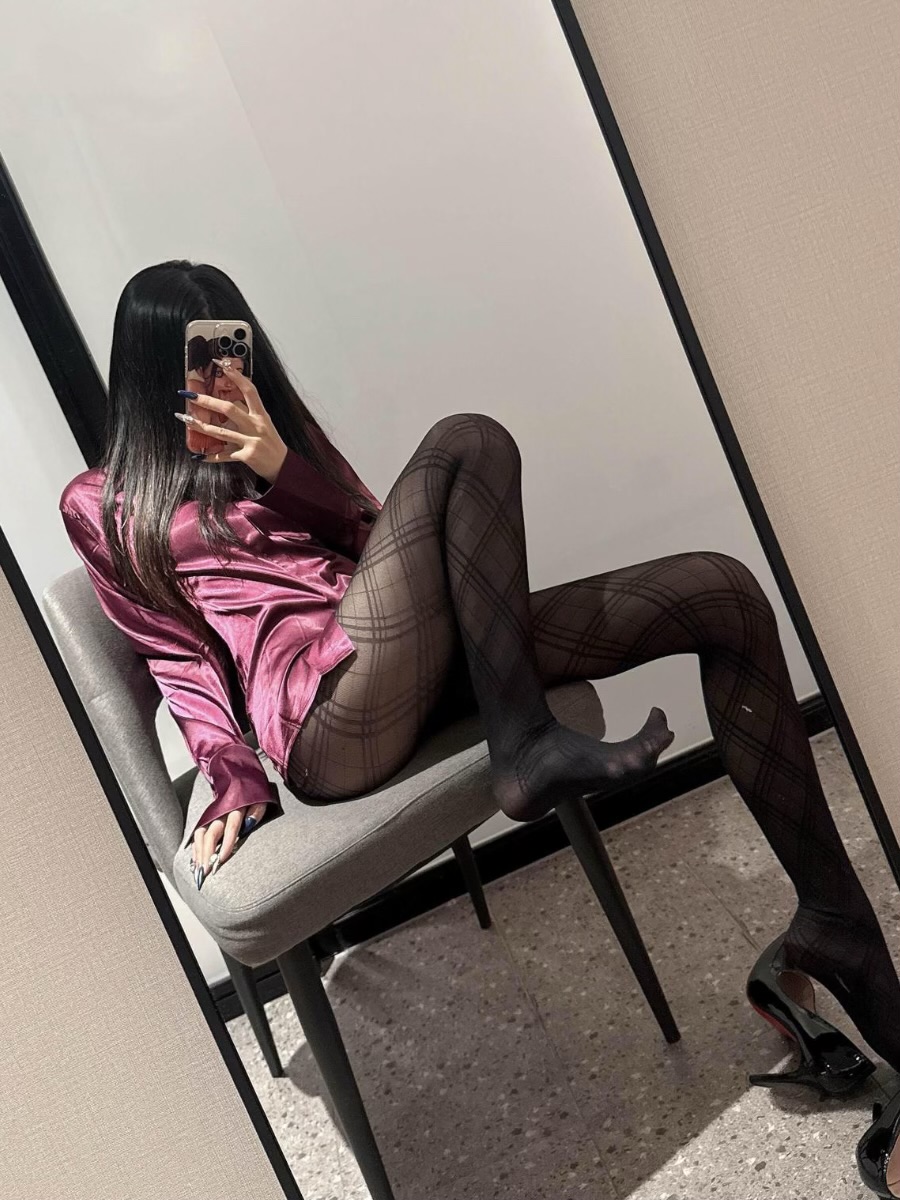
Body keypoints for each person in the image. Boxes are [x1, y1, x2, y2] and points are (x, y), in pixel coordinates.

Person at [60, 260, 900, 1089]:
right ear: (148, 374)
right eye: (195, 361)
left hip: (417, 656)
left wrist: (285, 471)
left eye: (230, 350)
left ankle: (833, 922)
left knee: (722, 593)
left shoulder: (280, 441)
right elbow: (175, 654)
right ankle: (525, 744)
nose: (219, 377)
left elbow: (387, 546)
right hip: (325, 713)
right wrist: (235, 778)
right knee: (467, 438)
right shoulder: (101, 502)